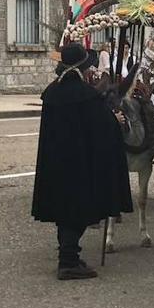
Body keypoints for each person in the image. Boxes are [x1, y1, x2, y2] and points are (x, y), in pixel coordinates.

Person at [31, 43, 132, 279]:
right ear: (81, 67)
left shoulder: (52, 92)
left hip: (57, 164)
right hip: (78, 165)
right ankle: (68, 261)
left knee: (63, 211)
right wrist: (115, 121)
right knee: (77, 211)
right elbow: (102, 127)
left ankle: (68, 254)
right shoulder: (86, 96)